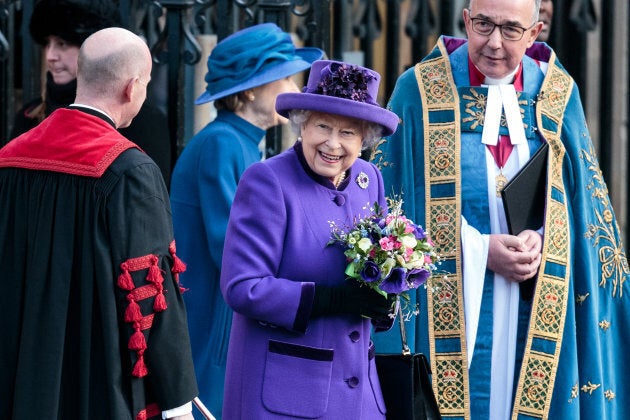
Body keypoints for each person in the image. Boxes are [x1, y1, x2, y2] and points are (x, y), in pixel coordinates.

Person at [372, 0, 630, 419]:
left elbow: (585, 210)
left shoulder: (557, 93)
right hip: (448, 303)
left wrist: (547, 238)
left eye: (511, 30)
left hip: (535, 295)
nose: (494, 42)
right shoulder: (418, 89)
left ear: (535, 32)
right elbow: (389, 207)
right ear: (465, 20)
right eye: (483, 24)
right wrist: (476, 248)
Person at [0, 27, 198, 420]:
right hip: (93, 375)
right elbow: (150, 290)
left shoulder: (10, 157)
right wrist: (177, 400)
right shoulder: (130, 169)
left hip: (14, 366)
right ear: (132, 87)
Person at [219, 59, 399, 418]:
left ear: (364, 139)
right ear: (301, 123)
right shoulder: (268, 181)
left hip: (359, 395)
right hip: (287, 395)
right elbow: (243, 287)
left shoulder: (370, 178)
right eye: (322, 126)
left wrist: (384, 297)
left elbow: (378, 261)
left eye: (348, 132)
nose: (333, 144)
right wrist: (330, 300)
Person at [169, 23, 322, 419]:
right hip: (211, 322)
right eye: (285, 76)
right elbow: (233, 250)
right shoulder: (222, 143)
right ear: (251, 89)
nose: (295, 85)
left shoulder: (236, 142)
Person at [10, 0, 173, 187]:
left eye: (62, 44)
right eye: (48, 44)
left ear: (93, 48)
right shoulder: (29, 115)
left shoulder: (140, 120)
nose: (50, 56)